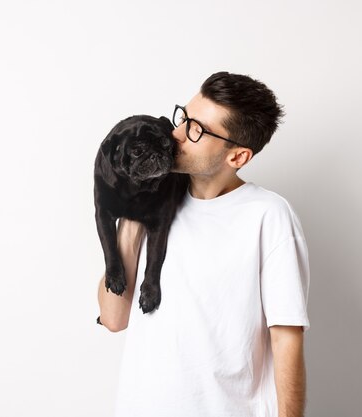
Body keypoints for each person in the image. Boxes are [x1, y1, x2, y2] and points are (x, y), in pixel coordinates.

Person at [97, 71, 311, 417]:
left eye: (196, 129)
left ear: (238, 157)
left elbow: (287, 341)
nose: (176, 135)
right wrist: (134, 216)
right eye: (184, 118)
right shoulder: (156, 201)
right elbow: (113, 317)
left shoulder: (267, 216)